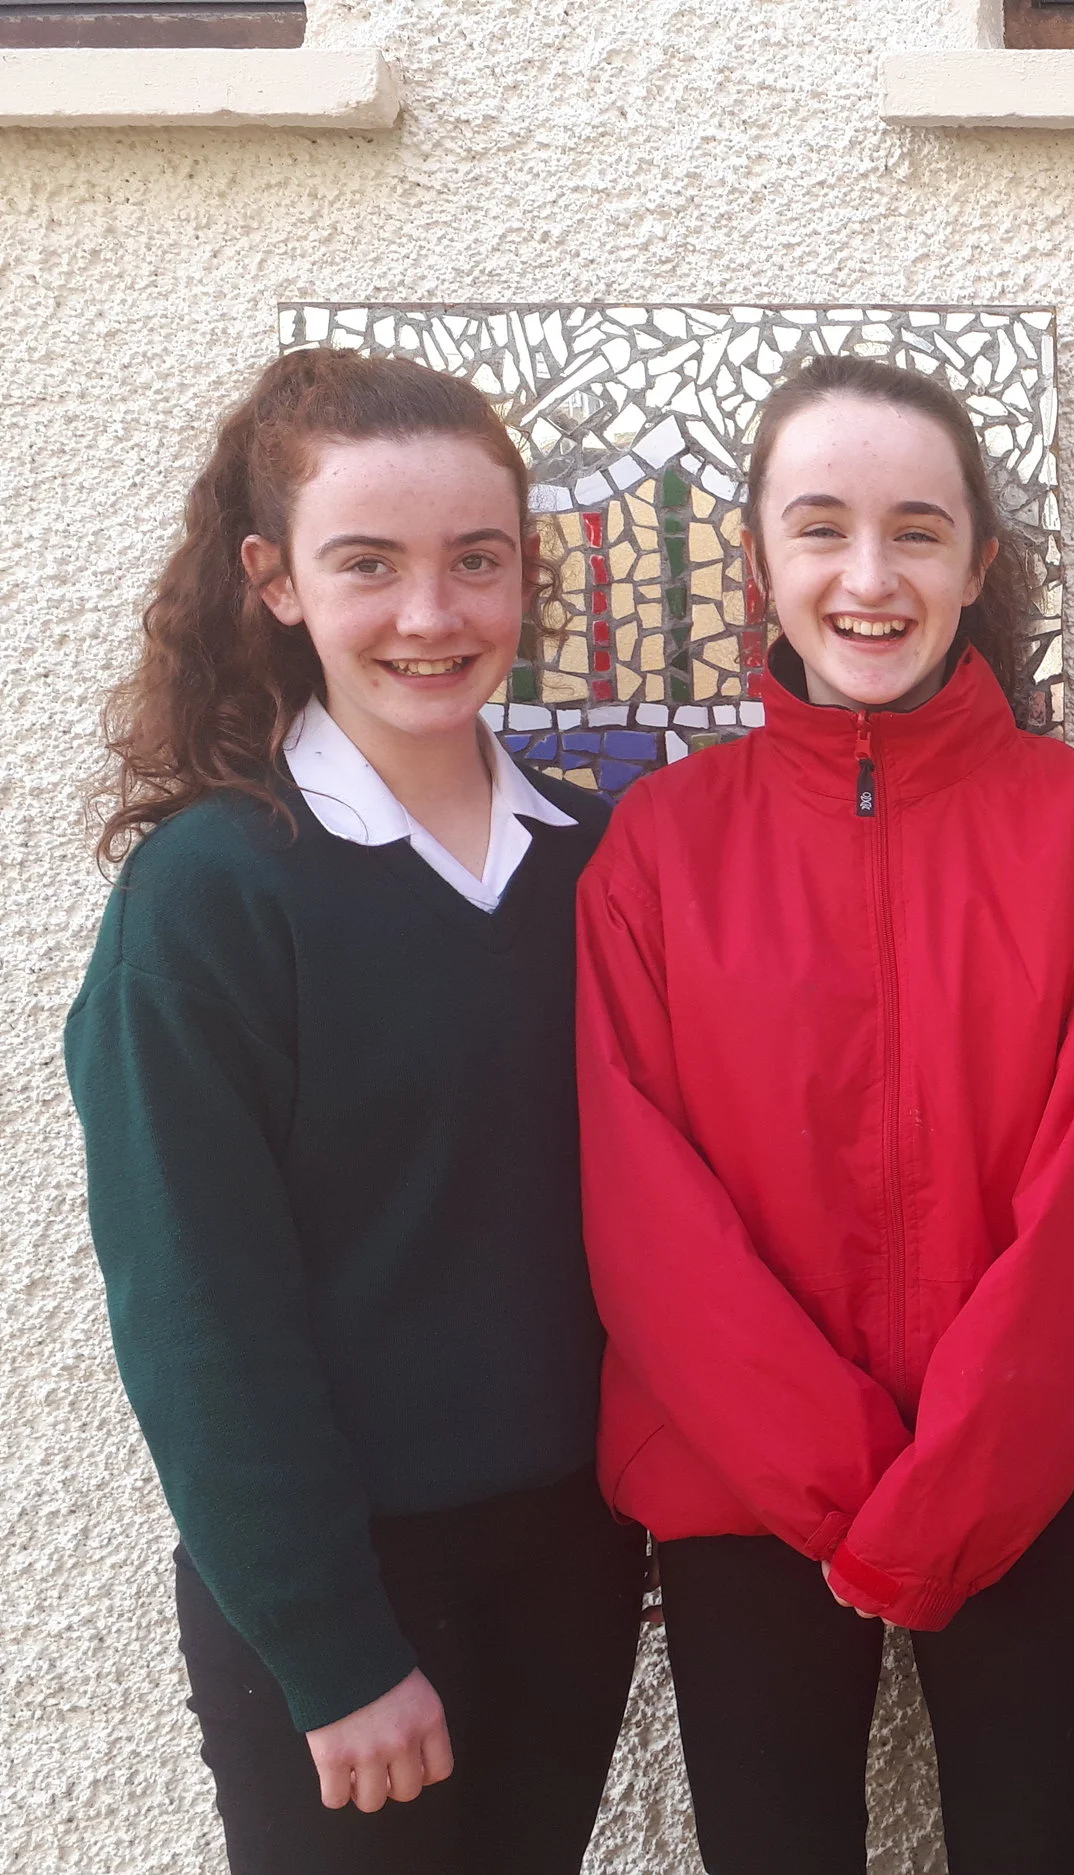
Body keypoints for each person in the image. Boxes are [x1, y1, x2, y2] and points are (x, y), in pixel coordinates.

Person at [573, 353, 1074, 1875]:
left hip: (1023, 1475)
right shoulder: (659, 848)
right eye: (821, 527)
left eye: (917, 531)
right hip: (743, 1485)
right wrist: (848, 1488)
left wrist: (953, 1488)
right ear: (758, 559)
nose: (868, 576)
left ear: (978, 563)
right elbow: (648, 1219)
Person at [64, 348, 644, 1874]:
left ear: (526, 574)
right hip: (340, 1590)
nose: (431, 614)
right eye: (369, 563)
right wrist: (331, 1645)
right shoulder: (212, 895)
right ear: (274, 581)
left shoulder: (594, 862)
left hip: (572, 1561)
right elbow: (196, 1309)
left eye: (477, 560)